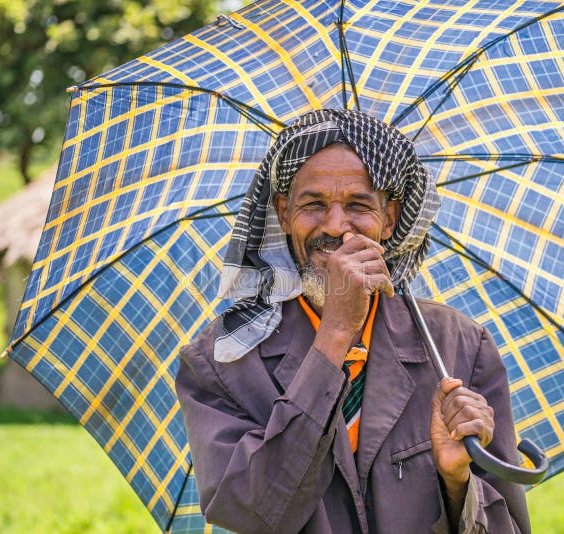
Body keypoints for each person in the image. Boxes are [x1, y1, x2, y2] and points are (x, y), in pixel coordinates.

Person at [176, 109, 530, 533]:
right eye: (313, 205)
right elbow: (250, 512)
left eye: (359, 205)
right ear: (284, 214)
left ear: (390, 219)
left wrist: (456, 481)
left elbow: (510, 526)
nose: (336, 226)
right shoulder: (224, 359)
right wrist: (335, 334)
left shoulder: (459, 346)